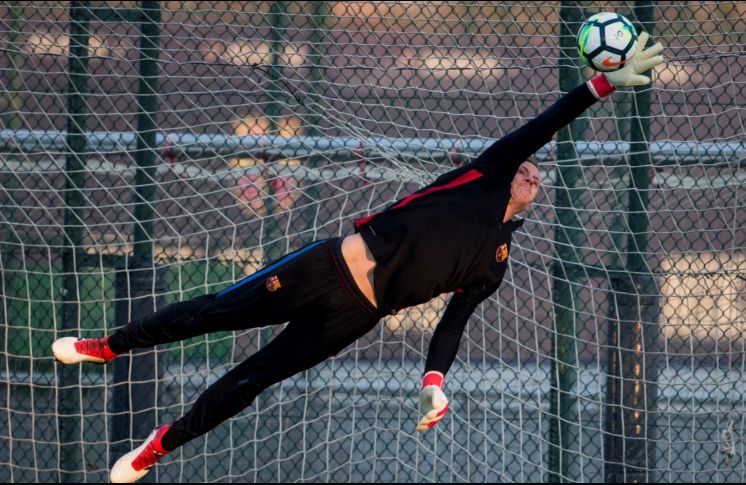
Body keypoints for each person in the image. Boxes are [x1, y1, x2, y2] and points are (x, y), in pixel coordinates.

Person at [51, 33, 663, 483]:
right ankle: (108, 346)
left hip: (353, 316)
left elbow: (452, 325)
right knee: (211, 312)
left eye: (536, 177)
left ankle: (159, 446)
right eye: (525, 166)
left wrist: (434, 382)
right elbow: (550, 121)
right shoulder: (486, 173)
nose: (529, 172)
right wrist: (602, 85)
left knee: (252, 380)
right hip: (325, 268)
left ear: (534, 198)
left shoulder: (493, 263)